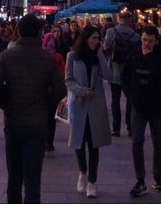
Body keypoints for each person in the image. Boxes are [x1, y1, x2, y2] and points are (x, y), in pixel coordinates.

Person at [0, 13, 66, 204]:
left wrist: (5, 102)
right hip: (37, 124)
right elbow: (60, 90)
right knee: (33, 182)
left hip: (13, 123)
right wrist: (46, 102)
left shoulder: (7, 56)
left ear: (19, 31)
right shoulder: (47, 58)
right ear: (38, 32)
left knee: (14, 179)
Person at [66, 25, 113, 198]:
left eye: (98, 38)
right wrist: (80, 90)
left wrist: (101, 54)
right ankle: (82, 172)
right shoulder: (72, 56)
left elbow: (109, 75)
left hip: (95, 106)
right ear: (85, 38)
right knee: (79, 143)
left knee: (94, 145)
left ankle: (92, 181)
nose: (96, 41)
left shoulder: (98, 57)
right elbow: (68, 80)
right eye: (93, 38)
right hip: (79, 105)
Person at [121, 24, 161, 197]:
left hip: (156, 107)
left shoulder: (160, 57)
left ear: (156, 42)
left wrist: (149, 59)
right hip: (138, 106)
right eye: (144, 40)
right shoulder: (133, 54)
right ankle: (140, 180)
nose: (146, 44)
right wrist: (130, 95)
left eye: (150, 41)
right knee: (137, 141)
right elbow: (124, 76)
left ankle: (157, 178)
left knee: (158, 143)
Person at [103, 11, 140, 137]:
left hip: (114, 70)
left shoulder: (111, 32)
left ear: (119, 19)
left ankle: (116, 128)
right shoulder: (135, 35)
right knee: (130, 100)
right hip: (129, 73)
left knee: (115, 100)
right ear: (130, 20)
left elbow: (105, 47)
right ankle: (130, 127)